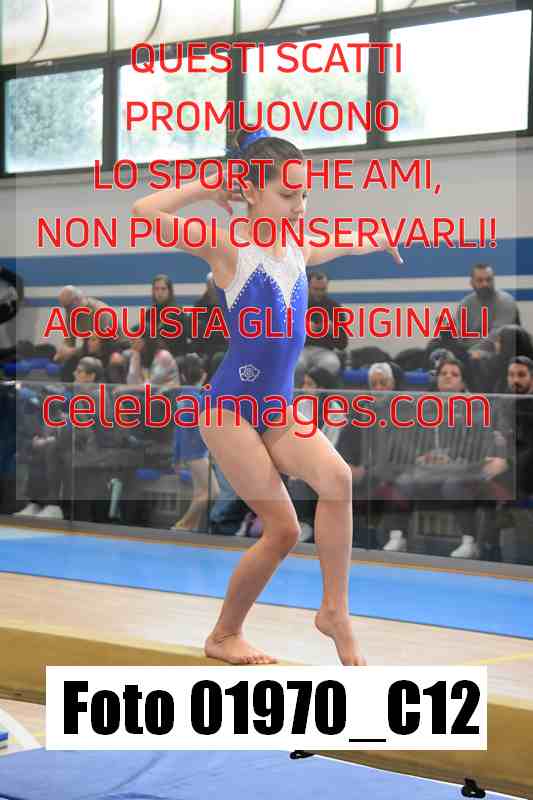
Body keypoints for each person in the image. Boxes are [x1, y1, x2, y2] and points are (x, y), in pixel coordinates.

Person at [132, 127, 402, 666]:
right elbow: (145, 211)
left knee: (337, 479)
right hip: (228, 409)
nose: (300, 206)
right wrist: (206, 186)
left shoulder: (297, 246)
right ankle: (224, 635)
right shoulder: (229, 246)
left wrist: (378, 237)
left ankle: (335, 611)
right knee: (282, 529)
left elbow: (344, 242)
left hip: (276, 407)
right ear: (252, 190)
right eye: (288, 194)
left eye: (305, 195)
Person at [294, 271, 348, 386]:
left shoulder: (334, 307)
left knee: (331, 364)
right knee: (296, 365)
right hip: (301, 349)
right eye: (315, 289)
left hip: (325, 351)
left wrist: (334, 331)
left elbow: (343, 345)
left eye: (322, 289)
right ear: (308, 287)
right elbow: (285, 336)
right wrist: (301, 329)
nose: (319, 293)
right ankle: (296, 396)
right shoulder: (297, 305)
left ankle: (317, 394)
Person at [454, 264, 520, 356]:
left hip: (500, 355)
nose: (485, 284)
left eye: (489, 280)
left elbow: (496, 337)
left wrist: (469, 354)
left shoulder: (506, 301)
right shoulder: (465, 304)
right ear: (472, 283)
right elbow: (458, 336)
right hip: (470, 355)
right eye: (480, 280)